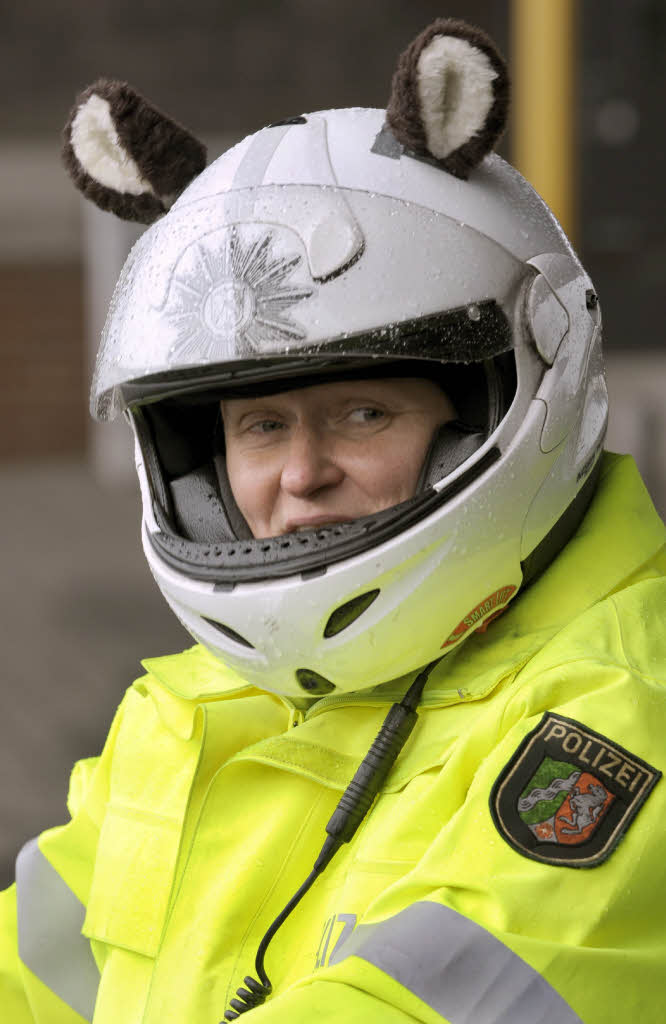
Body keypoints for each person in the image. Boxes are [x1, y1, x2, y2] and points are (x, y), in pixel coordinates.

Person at [2, 16, 665, 1024]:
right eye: (261, 426)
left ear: (504, 407)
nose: (301, 474)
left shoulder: (618, 714)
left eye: (364, 413)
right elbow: (34, 968)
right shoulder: (194, 708)